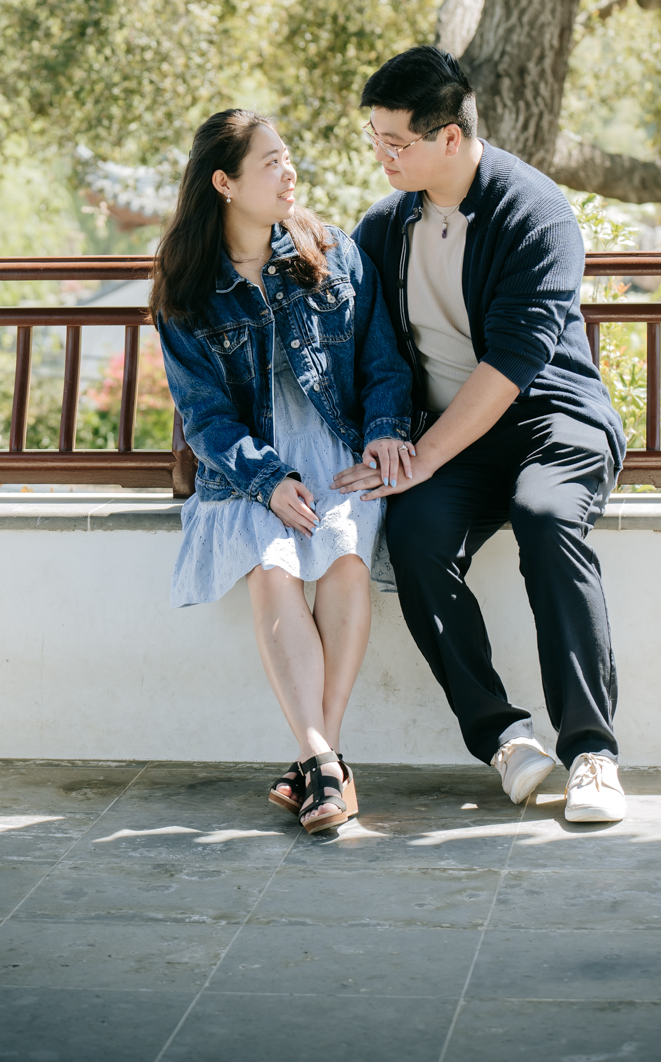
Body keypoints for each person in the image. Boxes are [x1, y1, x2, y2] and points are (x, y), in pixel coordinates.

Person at [333, 46, 628, 823]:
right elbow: (370, 347)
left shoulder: (537, 214)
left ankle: (593, 751)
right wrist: (392, 441)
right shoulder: (382, 228)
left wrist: (421, 457)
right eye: (376, 140)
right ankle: (504, 739)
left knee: (544, 515)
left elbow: (511, 366)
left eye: (397, 143)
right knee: (416, 530)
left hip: (551, 418)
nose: (383, 156)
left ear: (451, 138)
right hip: (450, 437)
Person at [152, 109, 413, 833]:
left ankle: (317, 764)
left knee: (346, 561)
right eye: (270, 163)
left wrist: (386, 433)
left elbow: (382, 361)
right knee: (273, 570)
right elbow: (205, 418)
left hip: (335, 450)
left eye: (287, 157)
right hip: (245, 467)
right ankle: (330, 765)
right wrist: (266, 480)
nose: (289, 172)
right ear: (225, 183)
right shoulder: (186, 286)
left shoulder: (331, 251)